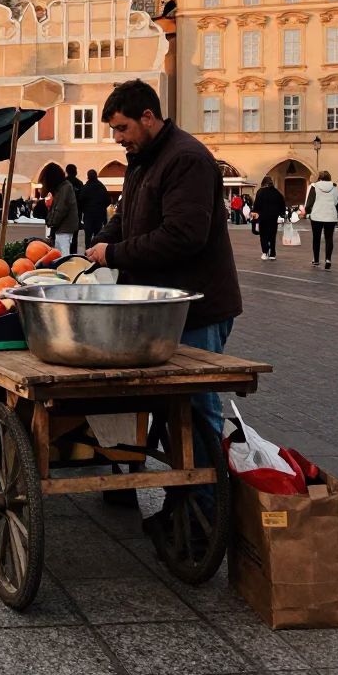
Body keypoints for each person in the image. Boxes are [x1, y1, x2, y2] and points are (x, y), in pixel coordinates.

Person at [86, 80, 242, 519]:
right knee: (158, 402)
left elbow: (183, 236)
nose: (117, 138)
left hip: (198, 307)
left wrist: (114, 254)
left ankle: (204, 516)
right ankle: (155, 490)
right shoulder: (143, 158)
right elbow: (127, 218)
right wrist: (98, 244)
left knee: (195, 412)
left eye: (121, 128)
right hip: (160, 308)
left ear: (148, 118)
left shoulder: (186, 159)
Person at [304, 170, 338, 269]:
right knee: (329, 238)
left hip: (317, 216)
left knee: (316, 238)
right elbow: (337, 201)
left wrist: (307, 211)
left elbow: (309, 202)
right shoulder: (334, 187)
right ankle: (328, 259)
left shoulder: (314, 187)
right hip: (330, 216)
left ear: (319, 178)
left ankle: (316, 260)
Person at [41, 163, 79, 256]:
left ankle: (64, 270)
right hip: (63, 228)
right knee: (59, 254)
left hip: (64, 229)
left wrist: (51, 222)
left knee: (62, 256)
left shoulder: (65, 188)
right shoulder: (62, 187)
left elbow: (60, 208)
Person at [251, 176, 286, 261]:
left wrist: (254, 216)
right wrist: (282, 214)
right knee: (272, 235)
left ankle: (265, 252)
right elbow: (282, 205)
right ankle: (272, 254)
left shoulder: (260, 192)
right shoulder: (277, 193)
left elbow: (256, 206)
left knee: (263, 235)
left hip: (262, 217)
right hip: (273, 217)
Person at [79, 168, 111, 249]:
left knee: (88, 236)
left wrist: (85, 209)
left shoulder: (85, 187)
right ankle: (96, 252)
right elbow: (108, 200)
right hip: (99, 215)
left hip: (88, 215)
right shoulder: (101, 187)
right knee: (98, 235)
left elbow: (80, 201)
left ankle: (88, 252)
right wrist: (101, 207)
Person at [65, 164, 84, 253]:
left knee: (64, 235)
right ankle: (73, 253)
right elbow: (82, 199)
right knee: (74, 236)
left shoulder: (63, 183)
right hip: (76, 213)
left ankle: (64, 253)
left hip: (64, 213)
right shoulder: (79, 183)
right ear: (75, 172)